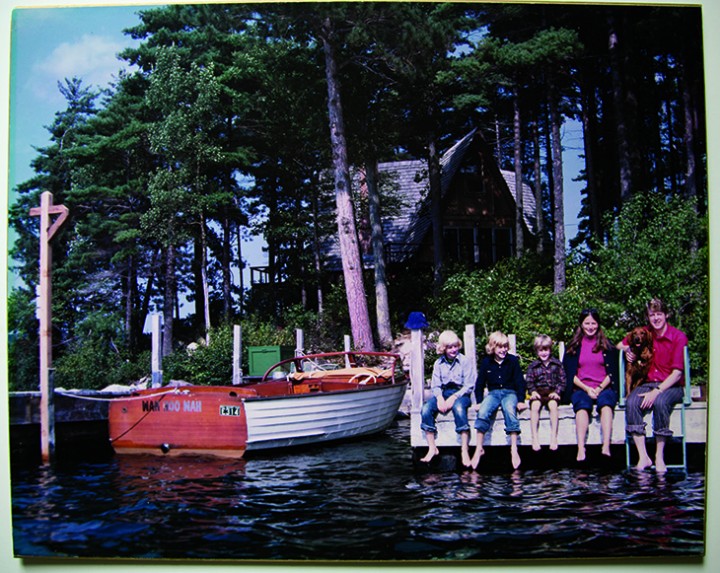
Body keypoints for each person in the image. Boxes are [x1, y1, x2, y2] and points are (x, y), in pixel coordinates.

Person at [617, 298, 688, 473]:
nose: (656, 318)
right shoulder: (645, 333)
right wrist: (628, 351)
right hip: (647, 383)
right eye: (652, 315)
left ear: (666, 315)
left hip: (671, 386)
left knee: (661, 402)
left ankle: (659, 456)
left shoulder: (678, 337)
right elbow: (619, 344)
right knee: (632, 402)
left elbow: (677, 373)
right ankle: (644, 457)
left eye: (659, 314)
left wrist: (657, 391)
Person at [563, 308, 619, 461]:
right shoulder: (574, 346)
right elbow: (569, 374)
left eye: (593, 323)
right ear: (581, 324)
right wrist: (587, 389)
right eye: (587, 323)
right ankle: (581, 448)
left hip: (604, 387)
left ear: (598, 324)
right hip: (581, 387)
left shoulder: (607, 346)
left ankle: (606, 445)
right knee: (581, 406)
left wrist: (600, 388)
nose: (590, 327)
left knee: (607, 404)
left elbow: (613, 373)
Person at [470, 331, 527, 470]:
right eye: (500, 347)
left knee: (509, 410)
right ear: (492, 348)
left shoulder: (512, 361)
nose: (503, 350)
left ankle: (514, 448)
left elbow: (520, 382)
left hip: (509, 392)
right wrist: (478, 401)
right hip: (493, 393)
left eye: (505, 346)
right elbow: (480, 384)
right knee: (483, 412)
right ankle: (479, 448)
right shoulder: (486, 362)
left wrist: (520, 400)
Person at [420, 330, 475, 466]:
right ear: (444, 348)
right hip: (444, 392)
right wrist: (439, 398)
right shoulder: (438, 364)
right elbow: (436, 386)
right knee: (426, 409)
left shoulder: (464, 361)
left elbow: (469, 385)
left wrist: (454, 397)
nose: (453, 350)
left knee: (459, 408)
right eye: (450, 347)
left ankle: (464, 449)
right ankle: (432, 447)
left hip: (461, 393)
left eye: (455, 346)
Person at [525, 334, 566, 452]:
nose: (543, 353)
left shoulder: (557, 364)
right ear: (536, 351)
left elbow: (562, 380)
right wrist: (532, 392)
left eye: (546, 350)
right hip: (538, 393)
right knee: (535, 406)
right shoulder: (533, 366)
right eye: (540, 350)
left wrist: (557, 392)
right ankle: (535, 438)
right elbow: (529, 381)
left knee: (553, 405)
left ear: (550, 349)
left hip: (552, 392)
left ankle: (553, 437)